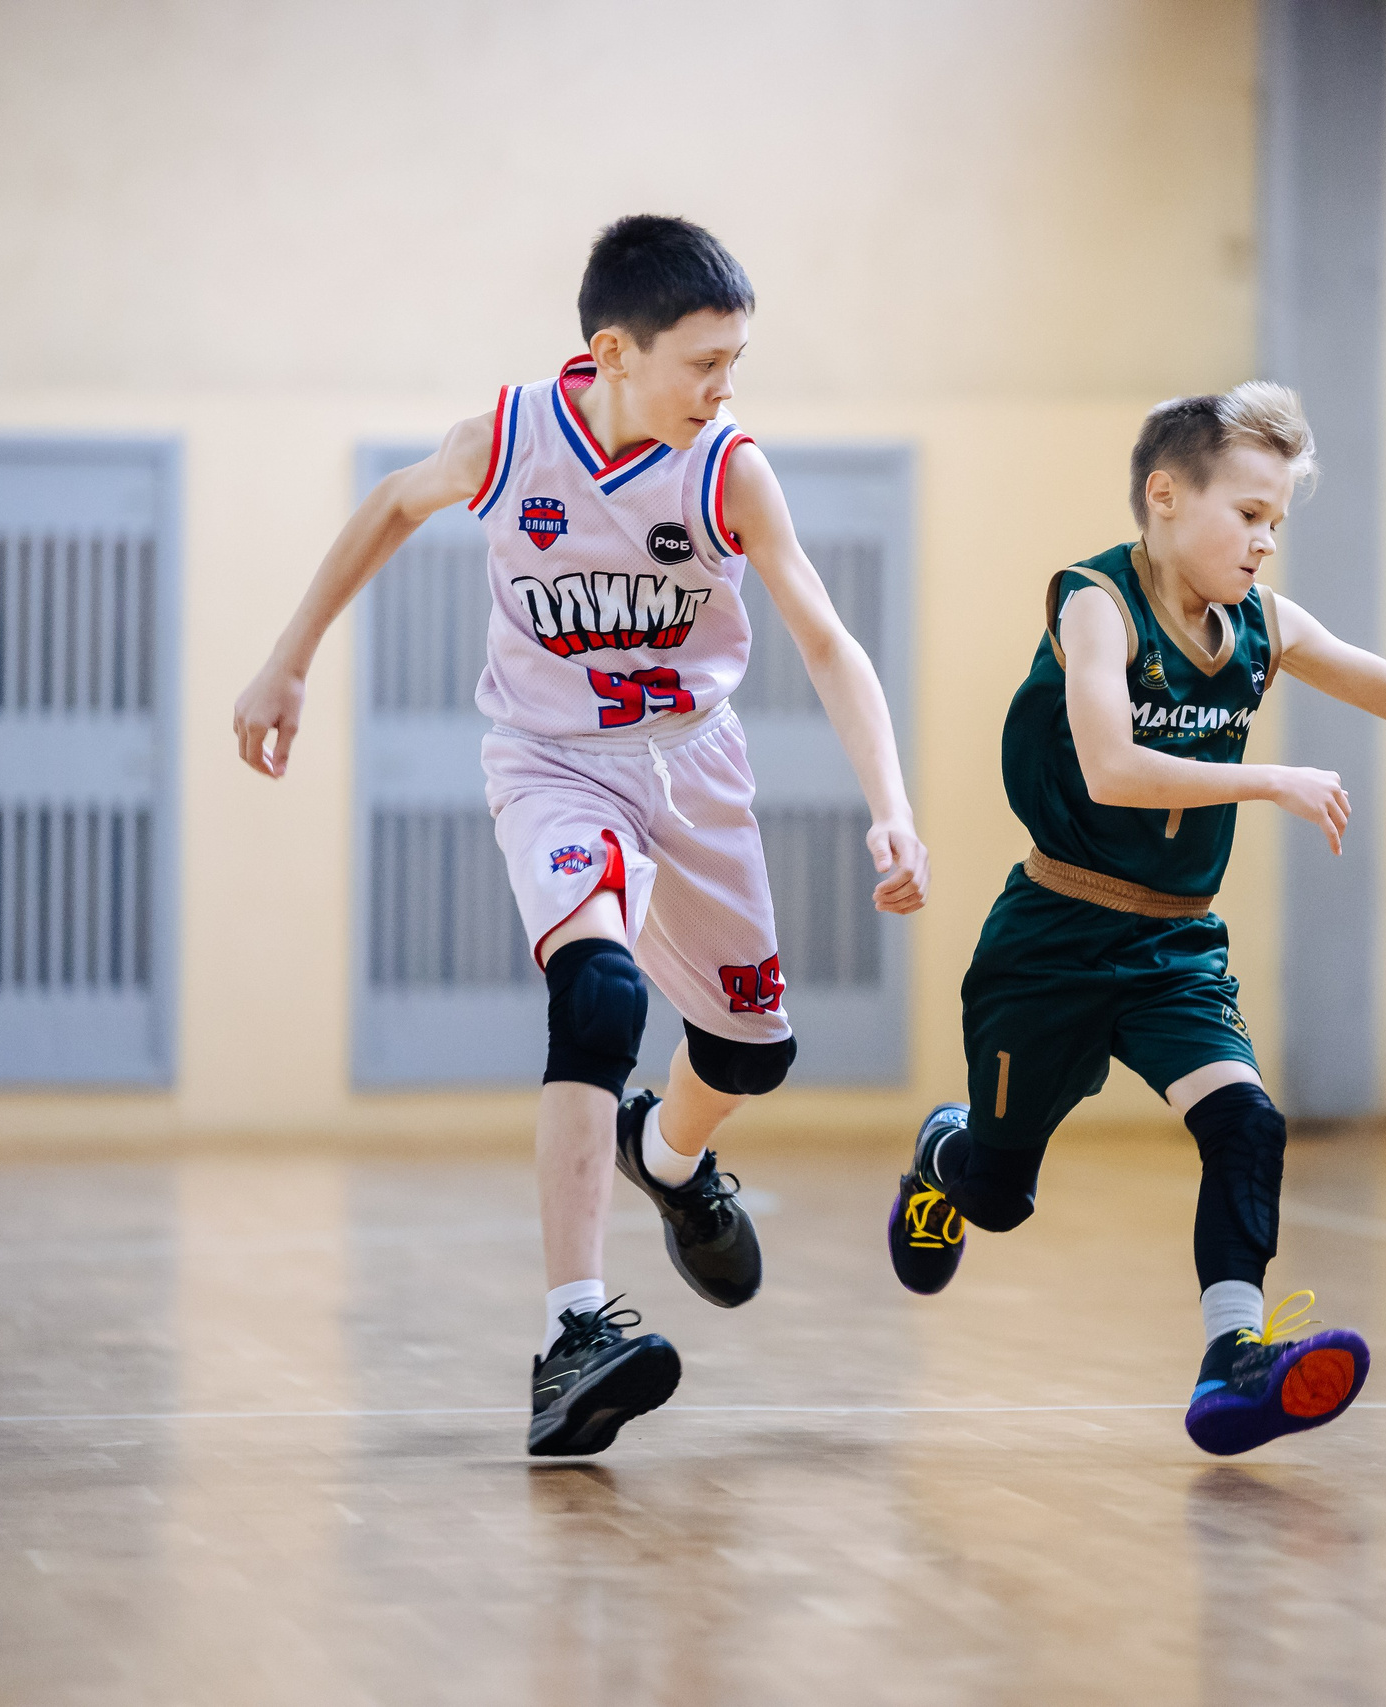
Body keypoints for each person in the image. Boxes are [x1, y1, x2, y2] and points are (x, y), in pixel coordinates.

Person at [233, 216, 929, 1455]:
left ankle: (666, 1155)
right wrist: (288, 660)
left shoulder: (727, 469)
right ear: (614, 351)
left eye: (737, 362)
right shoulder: (508, 439)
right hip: (553, 764)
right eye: (703, 363)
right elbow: (392, 506)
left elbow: (825, 637)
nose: (725, 389)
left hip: (694, 766)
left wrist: (892, 805)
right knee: (598, 997)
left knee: (751, 1051)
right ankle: (573, 1333)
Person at [887, 382, 1386, 1455]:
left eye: (1276, 520)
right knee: (998, 1197)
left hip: (1172, 944)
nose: (1265, 542)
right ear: (1164, 497)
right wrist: (1267, 779)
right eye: (1248, 515)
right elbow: (1106, 768)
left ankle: (1231, 1358)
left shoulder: (1262, 625)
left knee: (1247, 1122)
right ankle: (944, 1157)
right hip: (1051, 933)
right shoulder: (1096, 600)